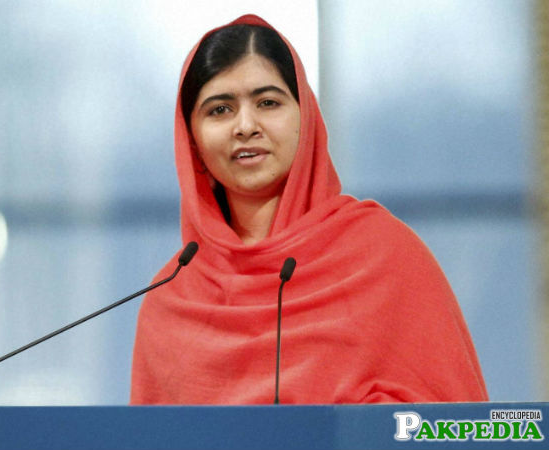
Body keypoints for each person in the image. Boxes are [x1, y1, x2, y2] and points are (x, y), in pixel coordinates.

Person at [130, 14, 488, 404]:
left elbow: (453, 427)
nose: (245, 126)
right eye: (220, 110)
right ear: (192, 140)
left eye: (268, 103)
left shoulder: (386, 256)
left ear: (308, 120)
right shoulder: (173, 296)